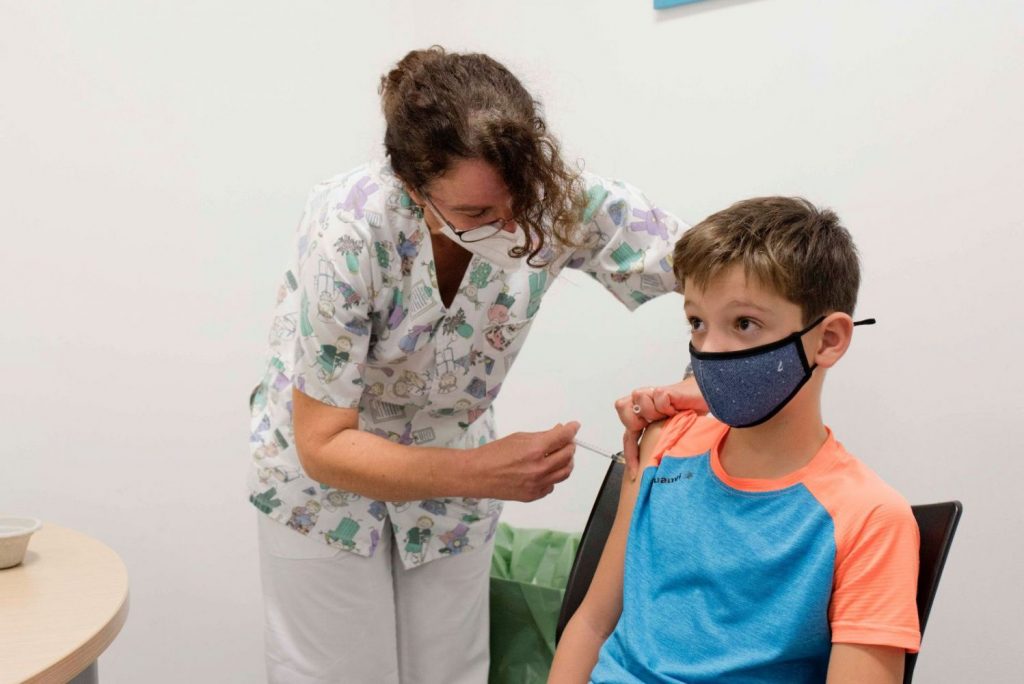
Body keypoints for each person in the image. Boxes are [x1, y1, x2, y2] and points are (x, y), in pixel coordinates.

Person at [248, 46, 701, 683]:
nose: (511, 228)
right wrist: (478, 472)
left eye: (517, 201)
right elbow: (323, 444)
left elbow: (715, 265)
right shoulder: (349, 230)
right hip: (324, 492)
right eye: (477, 215)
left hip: (457, 473)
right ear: (413, 188)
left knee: (452, 672)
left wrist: (715, 375)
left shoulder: (557, 199)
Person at [550, 197, 921, 683]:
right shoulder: (665, 442)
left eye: (744, 324)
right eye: (697, 322)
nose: (707, 350)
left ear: (828, 340)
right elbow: (593, 624)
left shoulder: (870, 518)